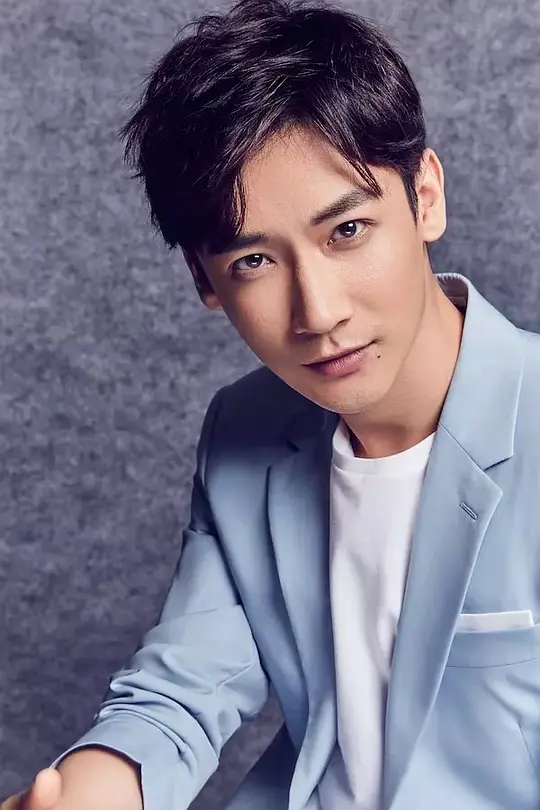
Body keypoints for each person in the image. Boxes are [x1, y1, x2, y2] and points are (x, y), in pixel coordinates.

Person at [4, 0, 540, 808]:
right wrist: (81, 795)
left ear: (425, 196)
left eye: (347, 231)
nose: (317, 311)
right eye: (253, 261)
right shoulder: (246, 433)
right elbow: (180, 690)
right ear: (204, 281)